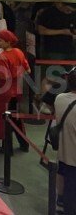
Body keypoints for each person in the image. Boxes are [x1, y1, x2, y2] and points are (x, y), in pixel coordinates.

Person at [42, 68, 76, 215]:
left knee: (62, 172)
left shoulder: (60, 98)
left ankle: (60, 201)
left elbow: (48, 104)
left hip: (64, 148)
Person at [0, 30, 30, 154]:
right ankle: (24, 144)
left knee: (5, 119)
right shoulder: (19, 52)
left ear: (7, 42)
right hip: (17, 90)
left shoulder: (2, 57)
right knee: (16, 118)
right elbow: (28, 69)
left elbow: (3, 77)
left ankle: (7, 148)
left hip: (5, 92)